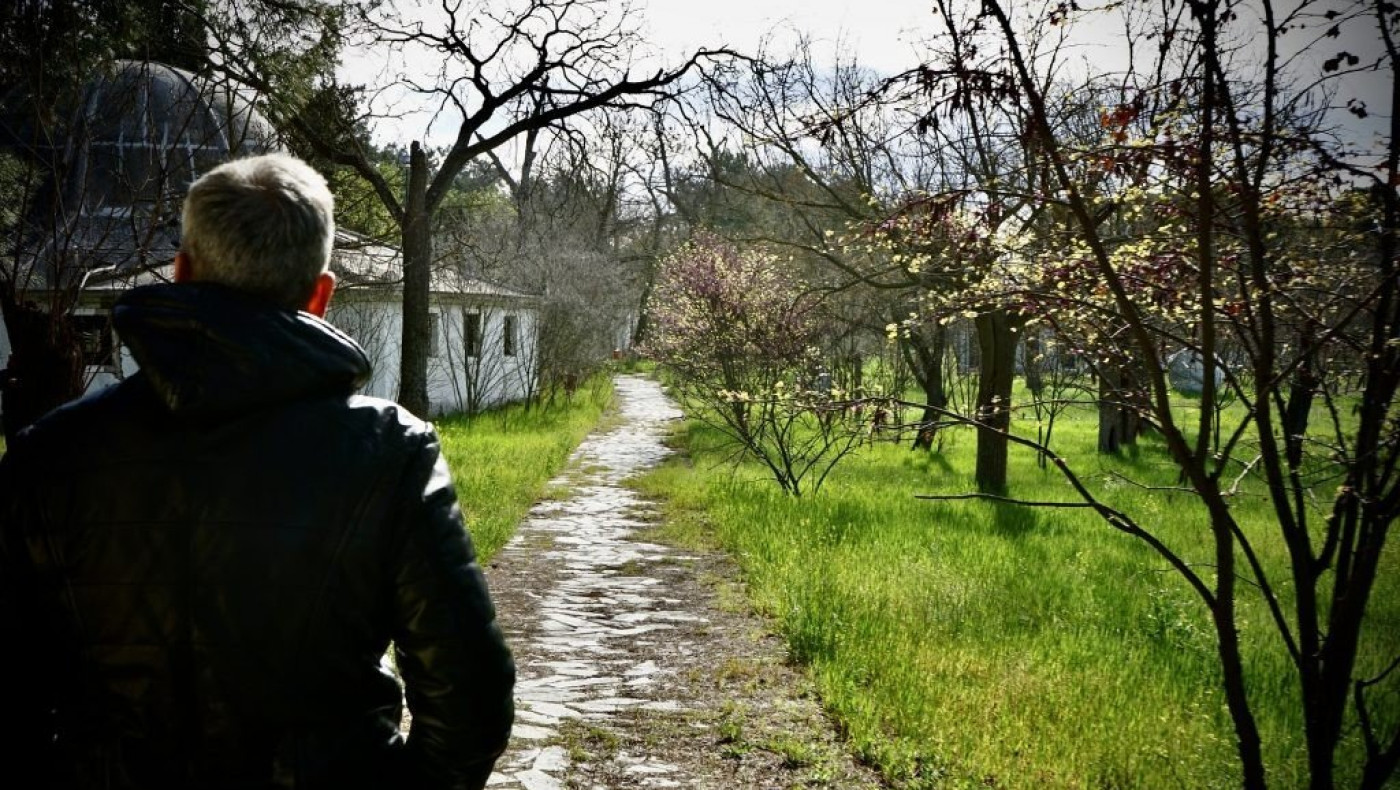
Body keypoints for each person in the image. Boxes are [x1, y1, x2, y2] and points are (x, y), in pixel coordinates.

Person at [0, 153, 515, 789]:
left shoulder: (45, 454)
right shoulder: (389, 451)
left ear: (183, 272)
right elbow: (470, 695)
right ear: (321, 296)